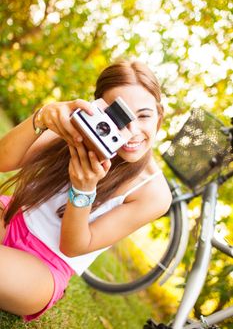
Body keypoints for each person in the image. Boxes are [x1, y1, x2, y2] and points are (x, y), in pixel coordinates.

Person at [0, 60, 172, 322]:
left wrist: (83, 190)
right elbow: (3, 161)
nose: (132, 131)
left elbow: (73, 246)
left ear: (159, 117)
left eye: (144, 115)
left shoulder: (153, 193)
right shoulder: (78, 127)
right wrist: (41, 117)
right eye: (121, 116)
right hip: (11, 216)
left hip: (43, 268)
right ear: (99, 110)